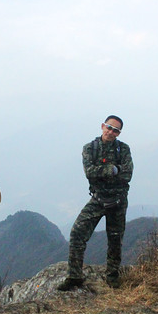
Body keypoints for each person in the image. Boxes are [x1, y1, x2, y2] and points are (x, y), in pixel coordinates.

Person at [59, 115, 133, 290]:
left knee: (115, 239)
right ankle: (75, 276)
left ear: (119, 133)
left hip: (118, 200)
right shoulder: (90, 148)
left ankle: (112, 277)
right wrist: (113, 169)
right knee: (77, 233)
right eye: (109, 127)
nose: (111, 132)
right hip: (98, 198)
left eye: (116, 130)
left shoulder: (123, 149)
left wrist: (108, 171)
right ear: (102, 126)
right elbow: (89, 172)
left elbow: (127, 174)